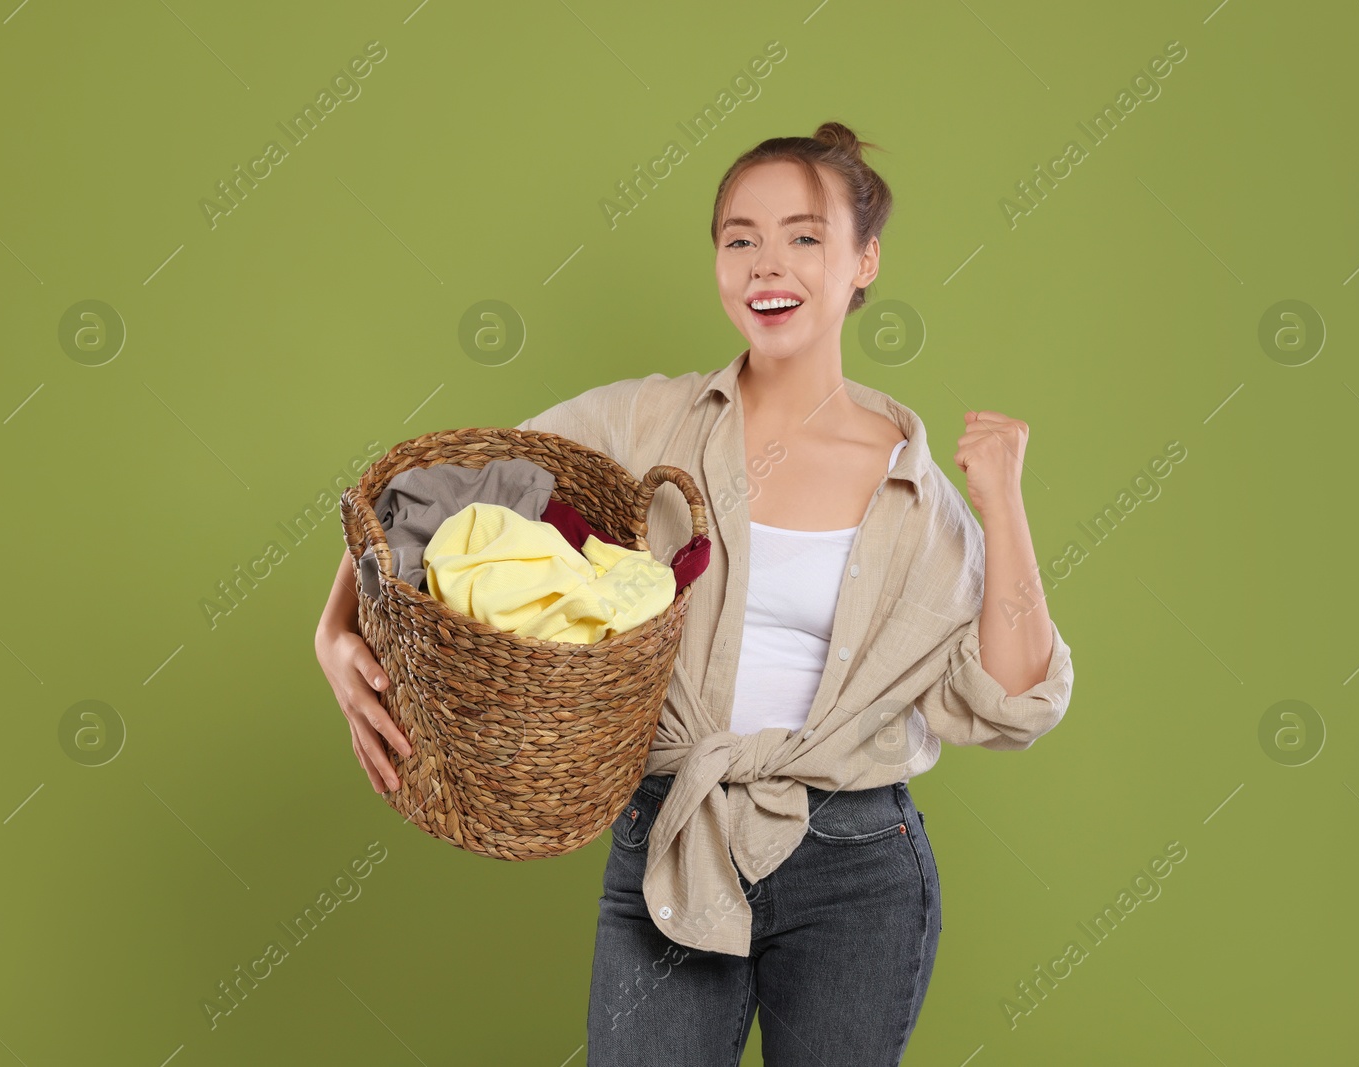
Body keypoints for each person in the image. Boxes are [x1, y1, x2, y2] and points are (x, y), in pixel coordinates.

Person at [313, 121, 1074, 1065]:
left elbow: (1012, 699)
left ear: (863, 260)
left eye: (804, 235)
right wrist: (334, 625)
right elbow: (436, 487)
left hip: (858, 865)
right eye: (739, 236)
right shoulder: (647, 420)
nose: (768, 263)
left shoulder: (918, 492)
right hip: (672, 829)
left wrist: (1003, 504)